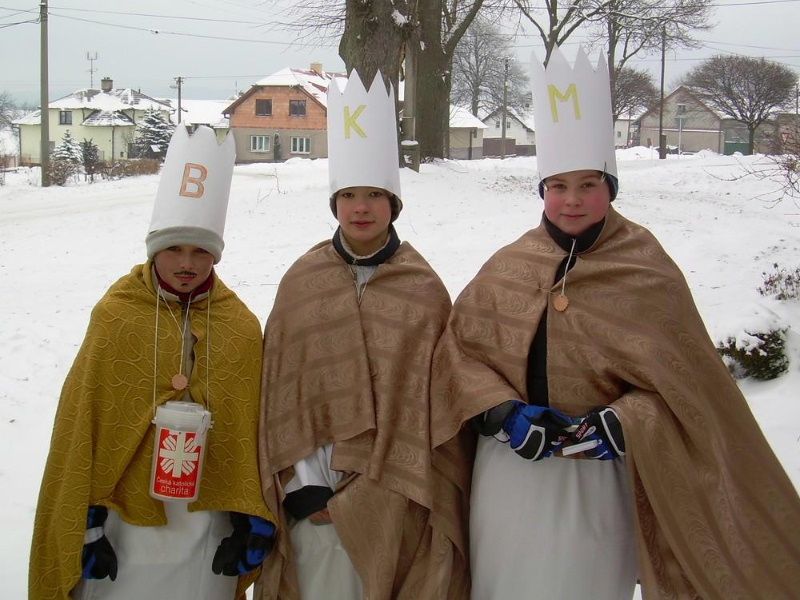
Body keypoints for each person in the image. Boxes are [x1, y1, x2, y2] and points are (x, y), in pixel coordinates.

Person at [430, 46, 800, 599]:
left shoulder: (645, 268)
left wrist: (619, 423)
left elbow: (686, 386)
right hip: (508, 476)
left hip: (597, 482)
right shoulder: (509, 265)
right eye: (558, 185)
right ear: (542, 192)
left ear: (611, 188)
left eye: (588, 185)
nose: (572, 200)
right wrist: (504, 415)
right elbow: (458, 354)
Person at [29, 126, 276, 600]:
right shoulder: (116, 314)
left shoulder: (240, 325)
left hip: (207, 519)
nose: (187, 263)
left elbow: (251, 429)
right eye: (174, 249)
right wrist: (88, 527)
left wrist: (250, 521)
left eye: (201, 250)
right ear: (153, 250)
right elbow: (85, 425)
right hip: (124, 518)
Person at [255, 70, 470, 600]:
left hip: (396, 491)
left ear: (393, 204)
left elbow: (432, 402)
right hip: (311, 490)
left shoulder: (422, 289)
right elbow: (282, 392)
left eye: (375, 194)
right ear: (335, 203)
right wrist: (302, 488)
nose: (361, 207)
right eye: (349, 194)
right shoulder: (302, 281)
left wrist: (386, 488)